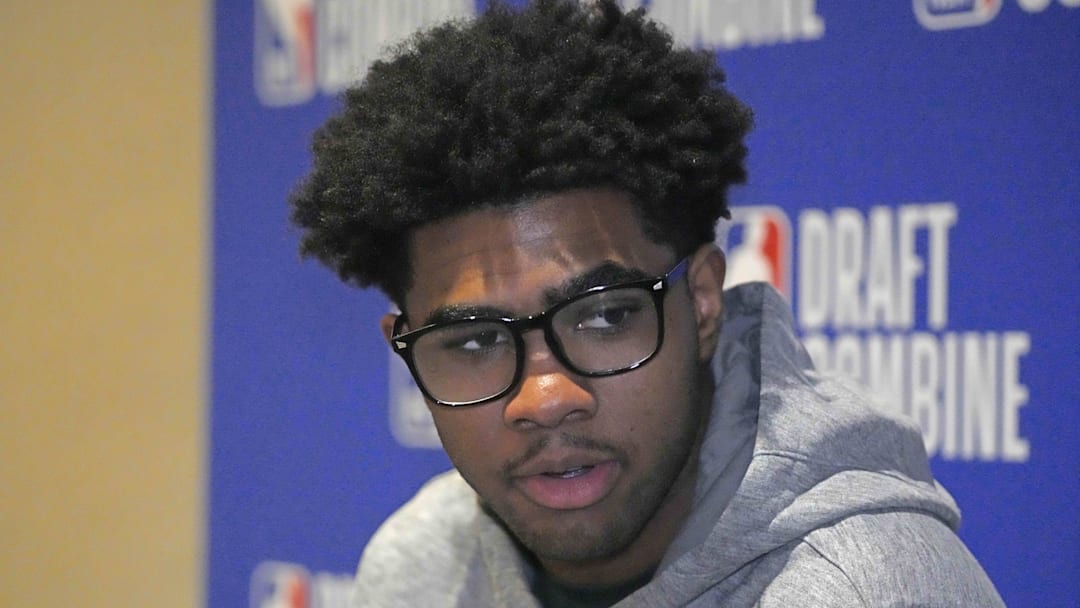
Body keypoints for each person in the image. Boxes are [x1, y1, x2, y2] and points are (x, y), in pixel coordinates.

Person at [289, 1, 1004, 606]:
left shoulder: (863, 589)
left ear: (700, 304)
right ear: (405, 349)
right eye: (474, 342)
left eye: (602, 315)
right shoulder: (419, 574)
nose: (543, 397)